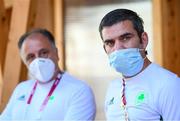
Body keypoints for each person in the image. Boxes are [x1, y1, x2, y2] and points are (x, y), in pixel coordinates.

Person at [99, 9, 180, 121]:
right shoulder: (113, 88)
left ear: (143, 40)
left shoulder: (168, 84)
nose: (117, 48)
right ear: (105, 49)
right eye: (110, 43)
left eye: (125, 38)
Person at [0, 28, 96, 120]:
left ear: (56, 53)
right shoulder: (21, 89)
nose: (38, 60)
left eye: (44, 52)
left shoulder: (79, 91)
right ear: (25, 62)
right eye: (30, 57)